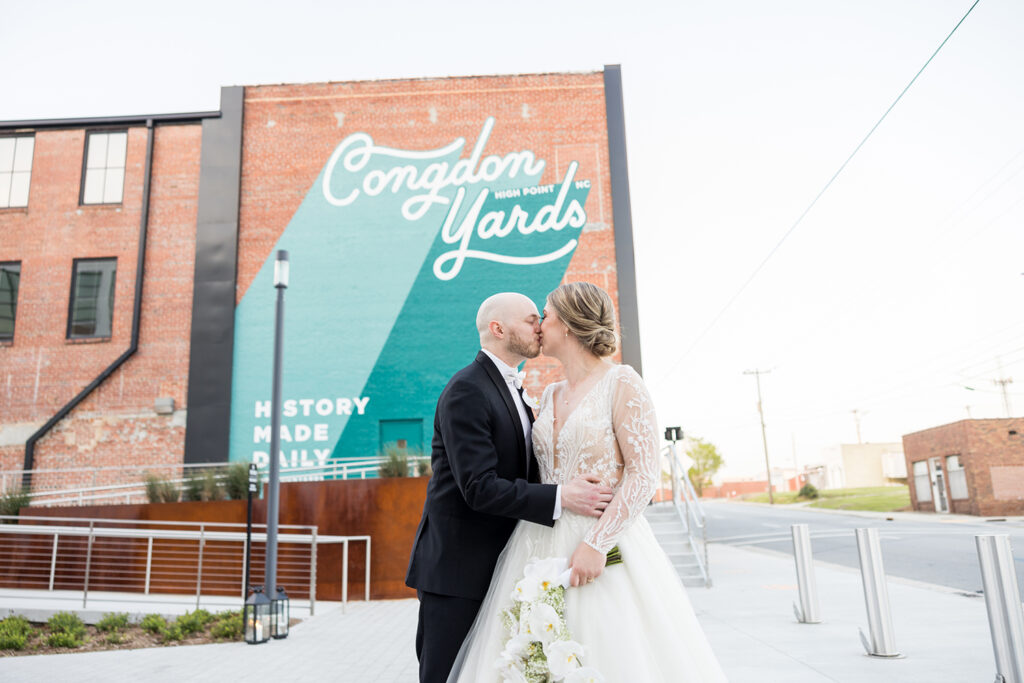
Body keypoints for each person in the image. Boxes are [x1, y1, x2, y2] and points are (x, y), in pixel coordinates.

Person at [449, 282, 727, 682]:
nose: (540, 325)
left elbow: (644, 474)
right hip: (535, 545)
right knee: (527, 656)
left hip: (601, 546)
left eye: (545, 315)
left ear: (570, 324)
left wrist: (597, 544)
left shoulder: (623, 383)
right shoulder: (550, 394)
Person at [406, 292, 616, 683]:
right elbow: (479, 487)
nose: (540, 326)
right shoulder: (467, 389)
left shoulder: (514, 389)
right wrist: (561, 496)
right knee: (446, 676)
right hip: (458, 573)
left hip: (504, 565)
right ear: (499, 329)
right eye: (531, 319)